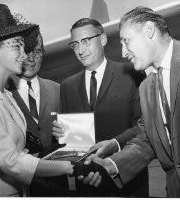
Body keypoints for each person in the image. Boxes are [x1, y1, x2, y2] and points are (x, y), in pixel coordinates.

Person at [0, 3, 73, 197]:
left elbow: (20, 153)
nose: (25, 55)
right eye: (17, 46)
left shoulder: (5, 95)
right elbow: (9, 160)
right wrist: (67, 167)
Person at [78, 6, 180, 198]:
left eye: (126, 41)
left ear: (149, 31)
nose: (124, 53)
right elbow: (148, 138)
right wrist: (110, 164)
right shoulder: (146, 87)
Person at [53, 18, 148, 197]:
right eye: (74, 45)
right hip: (88, 181)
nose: (80, 51)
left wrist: (115, 144)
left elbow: (143, 127)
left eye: (86, 41)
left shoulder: (131, 74)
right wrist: (59, 134)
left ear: (103, 39)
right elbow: (71, 143)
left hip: (128, 180)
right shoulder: (66, 86)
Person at [7, 20, 68, 197]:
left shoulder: (59, 90)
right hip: (18, 188)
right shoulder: (0, 95)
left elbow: (73, 141)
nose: (32, 57)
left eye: (38, 51)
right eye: (27, 51)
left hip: (58, 187)